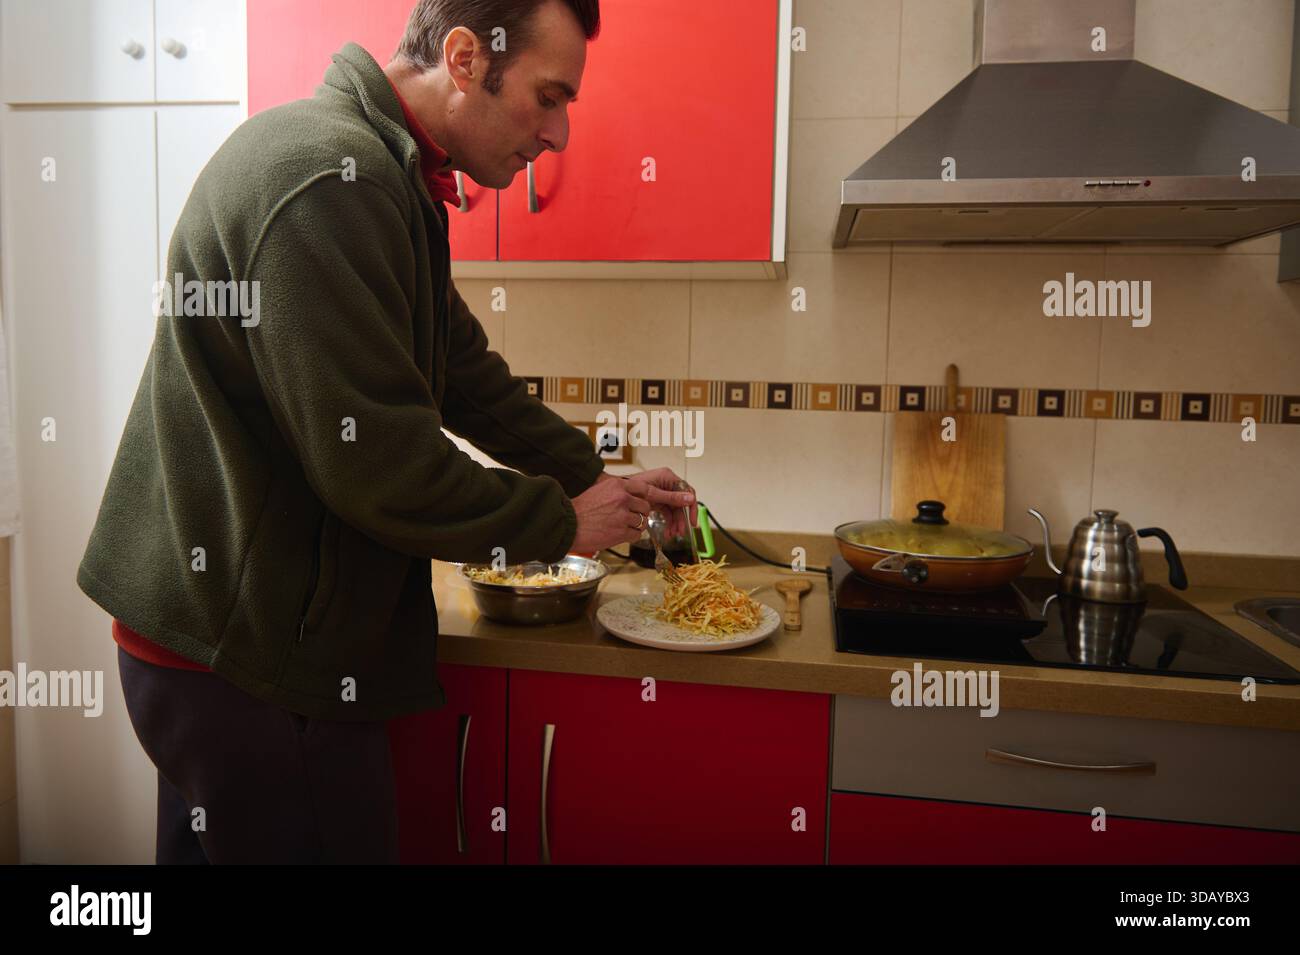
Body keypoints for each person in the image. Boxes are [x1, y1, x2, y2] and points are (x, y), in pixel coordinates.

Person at [77, 0, 694, 864]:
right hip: (253, 665)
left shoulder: (380, 171)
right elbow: (378, 463)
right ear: (468, 57)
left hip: (218, 649)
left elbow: (464, 378)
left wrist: (594, 477)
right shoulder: (332, 182)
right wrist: (558, 524)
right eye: (550, 97)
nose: (557, 135)